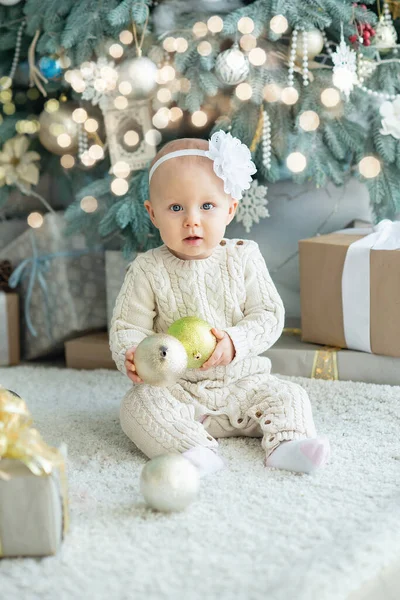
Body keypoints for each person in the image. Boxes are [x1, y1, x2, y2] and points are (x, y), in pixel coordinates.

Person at [109, 130, 330, 477]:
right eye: (176, 207)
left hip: (243, 384)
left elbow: (268, 314)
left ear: (230, 209)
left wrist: (234, 342)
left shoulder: (243, 257)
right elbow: (128, 327)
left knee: (289, 394)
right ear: (153, 214)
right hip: (178, 391)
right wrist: (134, 356)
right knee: (138, 406)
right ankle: (192, 450)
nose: (191, 219)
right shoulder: (147, 268)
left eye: (207, 206)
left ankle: (289, 445)